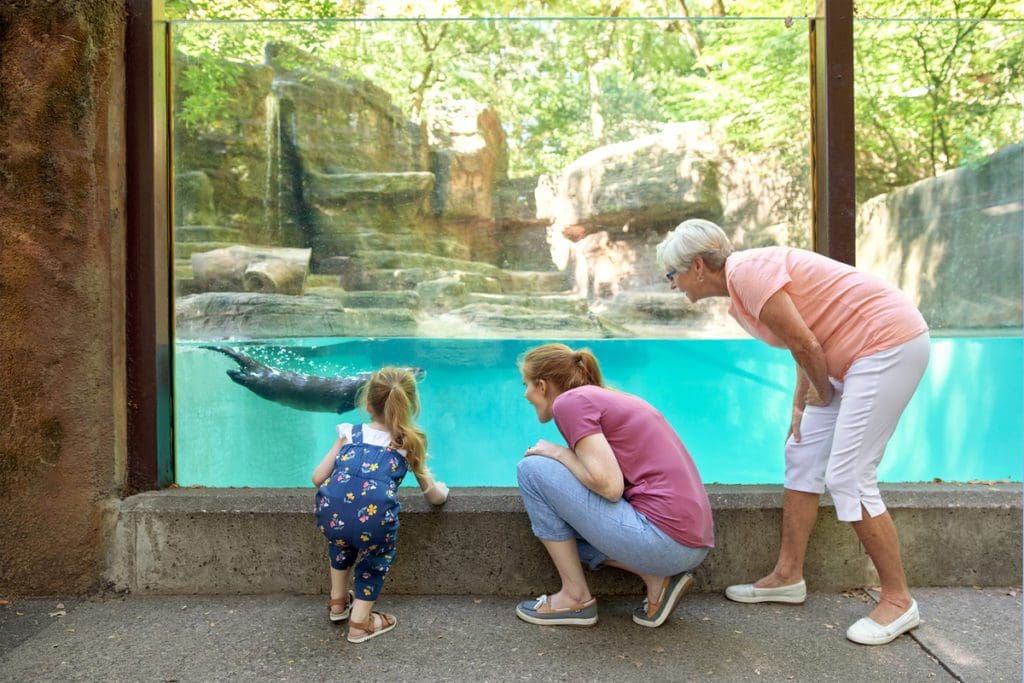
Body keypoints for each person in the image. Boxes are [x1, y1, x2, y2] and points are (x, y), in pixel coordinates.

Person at [656, 218, 930, 646]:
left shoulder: (746, 273)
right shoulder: (741, 283)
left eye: (671, 275)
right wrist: (802, 402)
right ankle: (787, 576)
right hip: (847, 360)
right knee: (800, 450)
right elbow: (803, 338)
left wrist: (821, 392)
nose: (672, 285)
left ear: (696, 266)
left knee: (849, 477)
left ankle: (898, 600)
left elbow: (808, 345)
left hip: (886, 344)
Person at [514, 343, 714, 628]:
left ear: (543, 385)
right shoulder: (601, 397)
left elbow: (609, 486)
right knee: (563, 533)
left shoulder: (569, 403)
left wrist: (559, 453)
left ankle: (575, 597)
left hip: (665, 540)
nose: (525, 394)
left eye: (526, 385)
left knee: (532, 470)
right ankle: (656, 578)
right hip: (688, 544)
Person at [312, 366, 449, 643]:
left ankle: (338, 603)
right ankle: (359, 623)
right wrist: (443, 491)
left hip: (330, 515)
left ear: (366, 403)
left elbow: (317, 478)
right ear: (409, 405)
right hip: (374, 523)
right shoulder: (407, 442)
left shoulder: (349, 433)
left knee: (339, 546)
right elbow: (432, 496)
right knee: (375, 560)